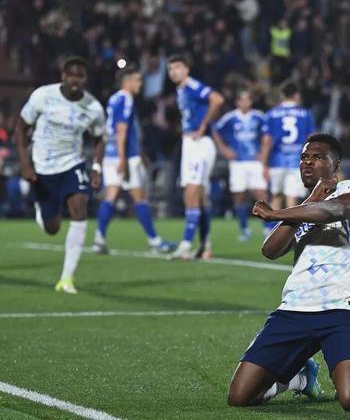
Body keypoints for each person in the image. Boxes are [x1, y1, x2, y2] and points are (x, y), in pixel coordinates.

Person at [228, 134, 350, 412]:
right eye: (304, 157)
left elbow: (336, 209)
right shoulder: (303, 208)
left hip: (344, 308)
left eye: (318, 157)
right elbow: (271, 250)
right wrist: (309, 200)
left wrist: (276, 213)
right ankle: (299, 378)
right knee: (240, 396)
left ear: (336, 164)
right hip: (294, 309)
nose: (308, 162)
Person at [14, 56, 105, 294]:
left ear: (85, 79)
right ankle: (41, 211)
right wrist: (25, 164)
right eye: (71, 75)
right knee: (52, 227)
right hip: (43, 166)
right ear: (63, 76)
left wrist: (96, 168)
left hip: (72, 164)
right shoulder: (43, 96)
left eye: (80, 76)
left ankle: (67, 279)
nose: (75, 80)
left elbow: (99, 138)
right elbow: (21, 130)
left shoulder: (93, 107)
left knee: (80, 208)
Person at [92, 66, 176, 254]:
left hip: (111, 153)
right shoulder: (126, 99)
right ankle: (155, 241)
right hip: (125, 157)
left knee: (111, 196)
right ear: (127, 81)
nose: (140, 84)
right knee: (139, 198)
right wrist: (124, 158)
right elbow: (122, 130)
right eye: (137, 80)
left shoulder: (114, 98)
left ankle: (99, 239)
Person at [166, 54, 224, 260]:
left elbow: (217, 99)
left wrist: (203, 126)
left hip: (201, 144)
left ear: (186, 69)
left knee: (192, 191)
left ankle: (185, 245)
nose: (173, 72)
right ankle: (205, 245)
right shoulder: (180, 89)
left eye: (177, 67)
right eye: (170, 69)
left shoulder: (192, 85)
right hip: (190, 143)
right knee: (197, 196)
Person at [213, 90, 268, 241]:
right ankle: (244, 229)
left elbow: (267, 135)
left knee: (261, 193)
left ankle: (267, 227)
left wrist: (263, 153)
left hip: (255, 161)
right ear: (237, 102)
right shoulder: (230, 118)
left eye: (247, 99)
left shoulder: (259, 116)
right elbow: (215, 130)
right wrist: (224, 149)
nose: (245, 102)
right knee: (239, 195)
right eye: (242, 100)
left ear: (251, 101)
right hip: (237, 162)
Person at [260, 81, 315, 229]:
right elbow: (311, 139)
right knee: (292, 197)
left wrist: (263, 163)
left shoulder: (272, 114)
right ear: (296, 95)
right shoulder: (305, 113)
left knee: (276, 195)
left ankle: (271, 231)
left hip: (276, 160)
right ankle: (290, 233)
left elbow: (267, 140)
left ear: (282, 95)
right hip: (297, 161)